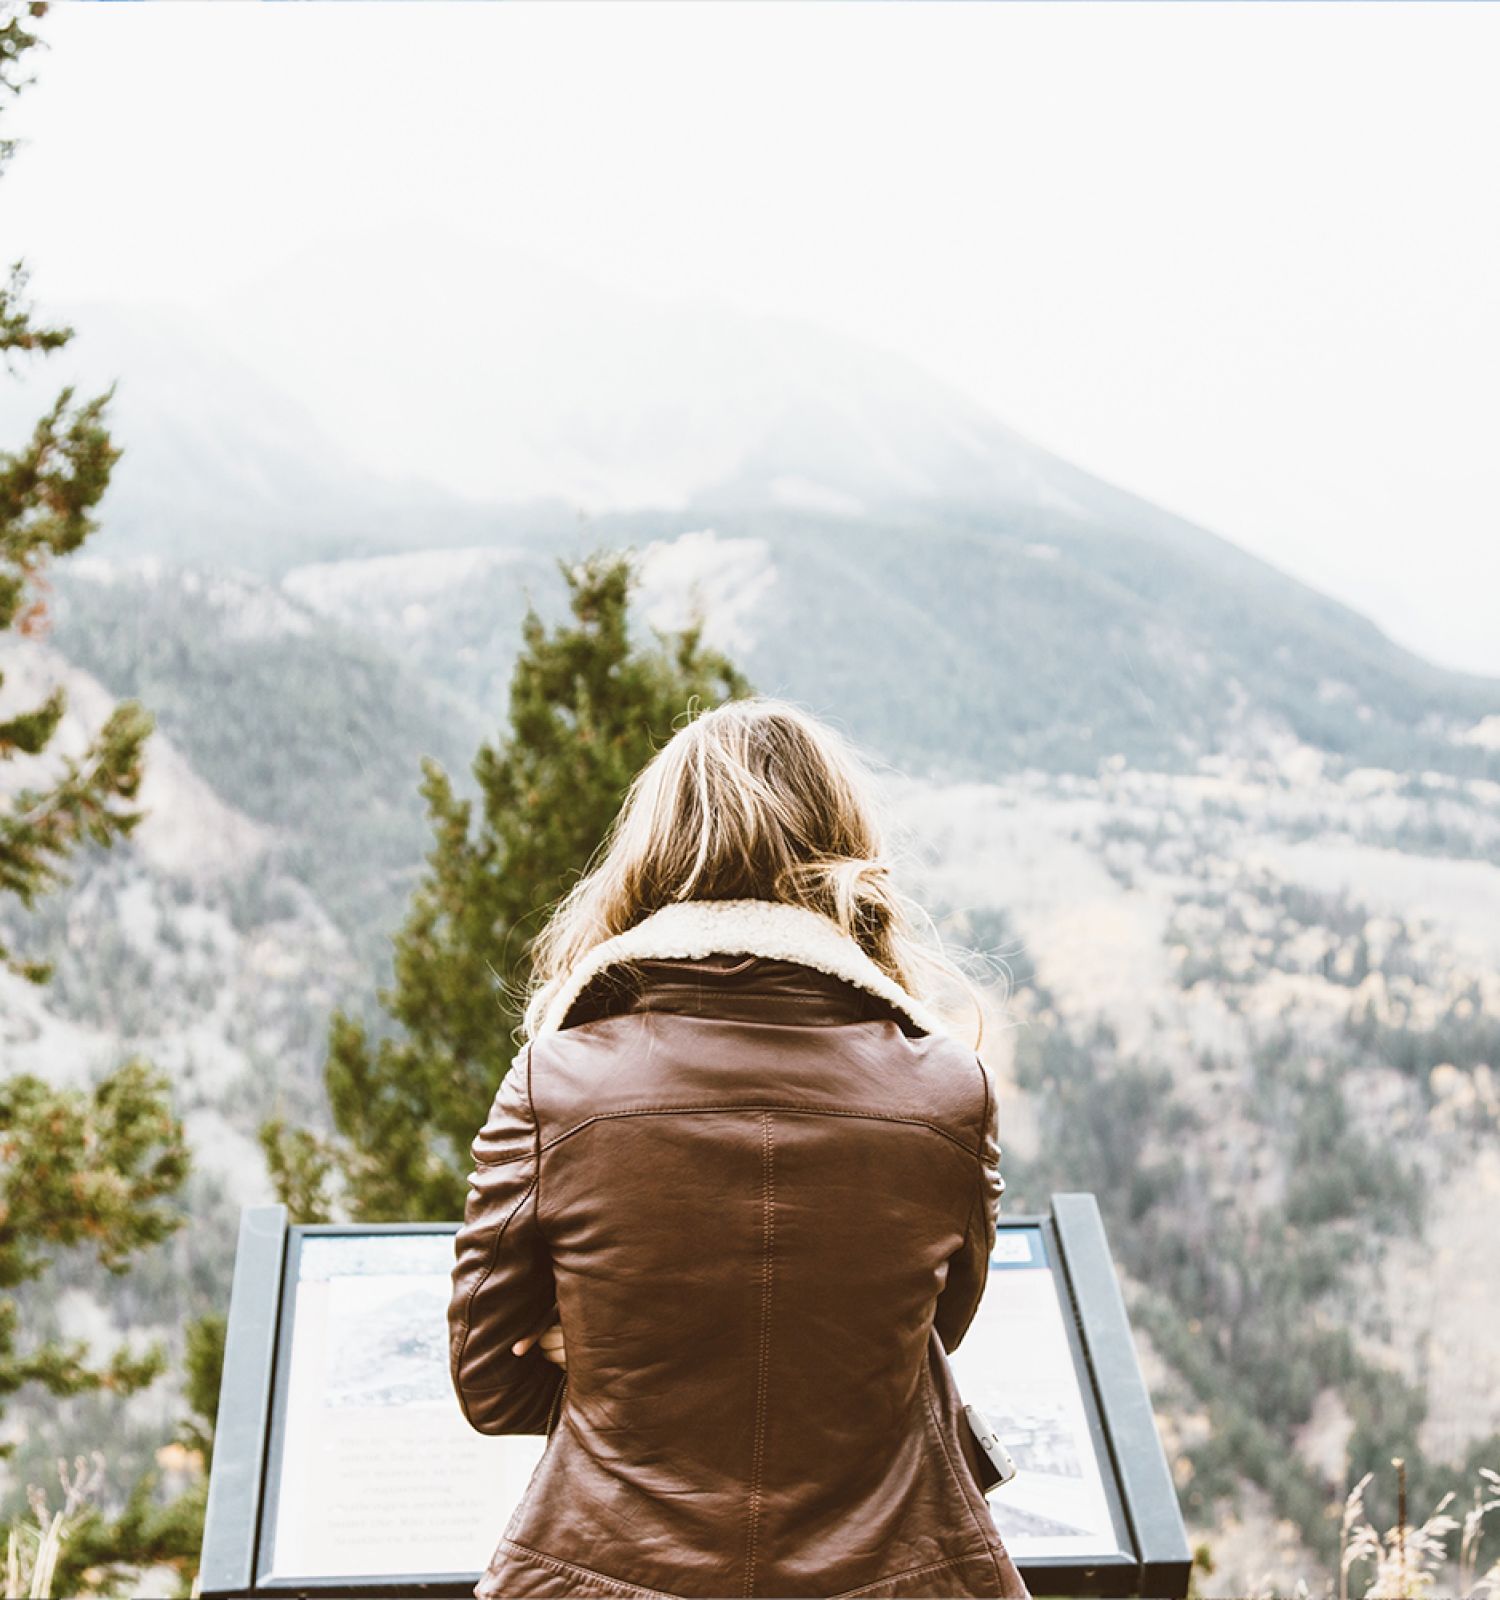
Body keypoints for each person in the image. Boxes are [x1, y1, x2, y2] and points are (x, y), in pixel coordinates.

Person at [447, 695, 1029, 1600]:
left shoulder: (554, 1086)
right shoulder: (951, 1094)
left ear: (653, 860)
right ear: (845, 857)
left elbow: (490, 1383)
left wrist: (626, 1369)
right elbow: (921, 1339)